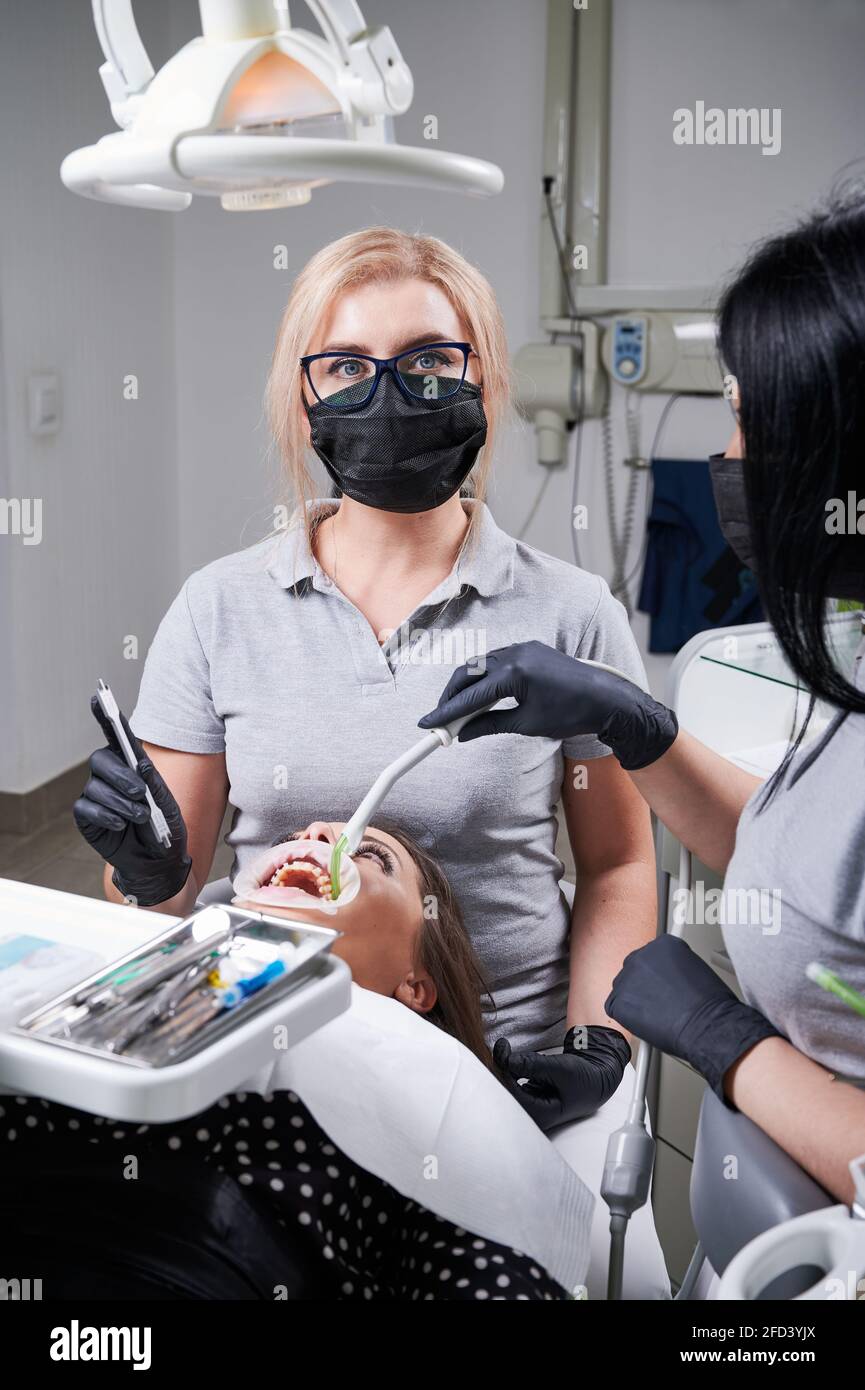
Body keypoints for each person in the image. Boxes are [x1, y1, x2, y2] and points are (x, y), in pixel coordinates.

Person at [71, 226, 670, 1294]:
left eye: (429, 361)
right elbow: (155, 893)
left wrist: (594, 1044)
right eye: (347, 365)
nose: (388, 392)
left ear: (480, 376)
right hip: (259, 1049)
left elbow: (621, 867)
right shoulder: (220, 610)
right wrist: (147, 875)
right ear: (303, 398)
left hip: (498, 1075)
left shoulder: (570, 616)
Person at [419, 187, 865, 1206]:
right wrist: (636, 725)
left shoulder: (564, 598)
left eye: (746, 421)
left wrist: (727, 1041)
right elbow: (824, 866)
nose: (727, 461)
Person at [7, 812, 570, 1300]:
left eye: (371, 855)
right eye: (295, 836)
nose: (316, 833)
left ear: (416, 983)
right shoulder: (116, 987)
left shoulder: (433, 1087)